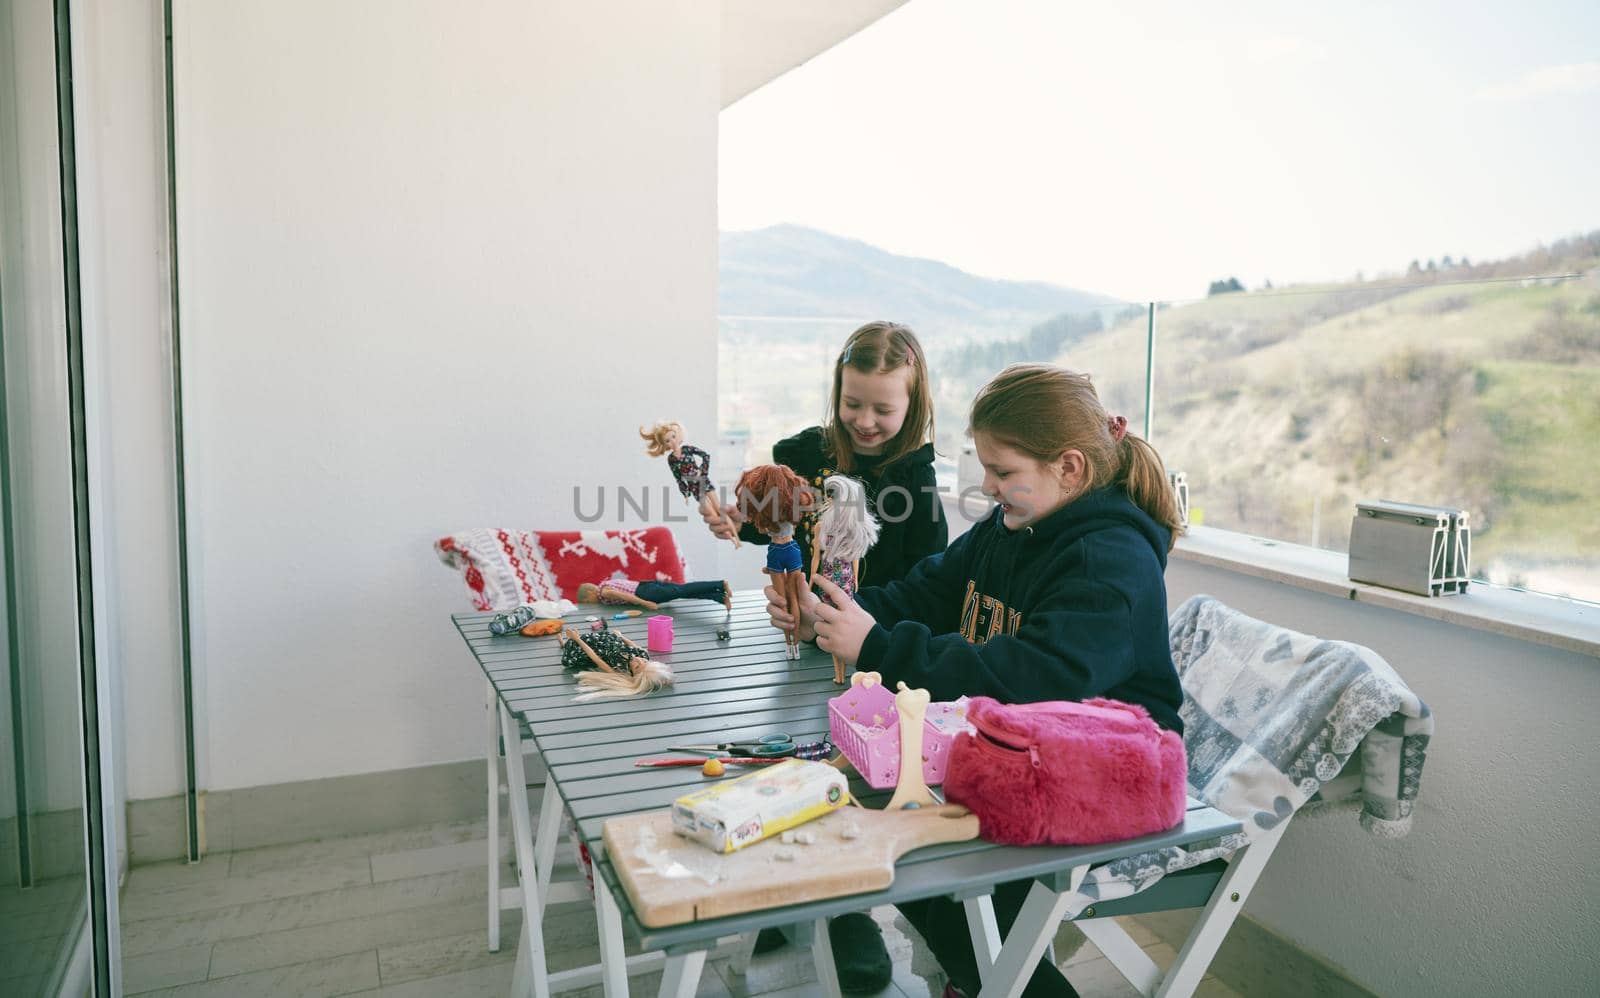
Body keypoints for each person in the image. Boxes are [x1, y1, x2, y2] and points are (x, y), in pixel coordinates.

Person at [769, 363, 1186, 998]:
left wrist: (877, 644)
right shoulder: (1015, 523)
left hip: (1108, 775)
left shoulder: (1111, 562)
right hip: (1021, 752)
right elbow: (932, 588)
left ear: (1069, 469)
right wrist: (832, 616)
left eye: (1003, 471)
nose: (986, 487)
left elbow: (1029, 677)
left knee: (951, 896)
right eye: (984, 467)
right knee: (920, 874)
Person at [711, 321, 949, 992]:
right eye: (853, 403)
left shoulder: (919, 491)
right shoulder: (803, 452)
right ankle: (794, 895)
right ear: (836, 392)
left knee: (836, 780)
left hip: (871, 669)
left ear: (914, 406)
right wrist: (739, 527)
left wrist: (837, 616)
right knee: (775, 760)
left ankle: (843, 916)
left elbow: (924, 600)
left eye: (883, 408)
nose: (865, 421)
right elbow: (760, 519)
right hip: (794, 651)